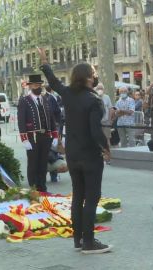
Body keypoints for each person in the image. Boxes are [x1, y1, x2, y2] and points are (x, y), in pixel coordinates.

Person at [38, 47, 112, 254]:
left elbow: (53, 82)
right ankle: (89, 242)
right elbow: (96, 131)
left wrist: (45, 62)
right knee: (92, 197)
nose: (96, 76)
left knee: (78, 196)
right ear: (89, 78)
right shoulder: (94, 100)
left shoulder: (68, 94)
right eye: (94, 73)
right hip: (90, 155)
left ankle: (78, 239)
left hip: (73, 154)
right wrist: (106, 149)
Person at [17, 74, 59, 192]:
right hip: (32, 137)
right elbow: (21, 121)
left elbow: (51, 118)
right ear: (30, 86)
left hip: (45, 136)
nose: (38, 87)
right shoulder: (25, 100)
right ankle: (34, 187)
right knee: (33, 162)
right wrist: (24, 139)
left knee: (43, 162)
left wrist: (55, 135)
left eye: (39, 85)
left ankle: (42, 186)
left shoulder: (45, 99)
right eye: (35, 85)